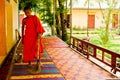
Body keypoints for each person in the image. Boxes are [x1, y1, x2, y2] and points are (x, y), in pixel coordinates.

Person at [22, 6, 45, 73]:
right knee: (28, 49)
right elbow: (23, 29)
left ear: (31, 11)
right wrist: (23, 38)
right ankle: (29, 63)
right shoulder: (24, 20)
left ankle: (39, 63)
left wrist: (39, 36)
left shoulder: (35, 18)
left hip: (35, 37)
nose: (27, 13)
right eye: (25, 12)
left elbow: (39, 27)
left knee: (37, 49)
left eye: (28, 12)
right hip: (27, 37)